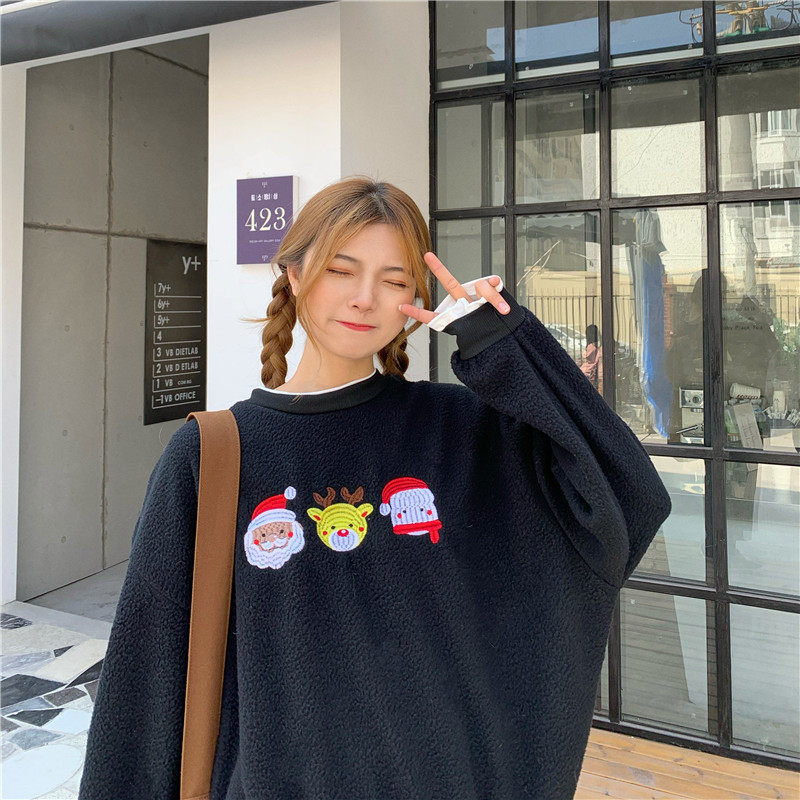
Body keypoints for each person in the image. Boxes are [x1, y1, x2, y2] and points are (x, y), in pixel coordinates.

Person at [78, 176, 672, 800]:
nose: (364, 299)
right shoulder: (214, 456)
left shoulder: (463, 432)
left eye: (394, 280)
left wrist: (503, 344)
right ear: (294, 274)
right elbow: (144, 679)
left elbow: (627, 497)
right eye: (341, 270)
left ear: (415, 297)